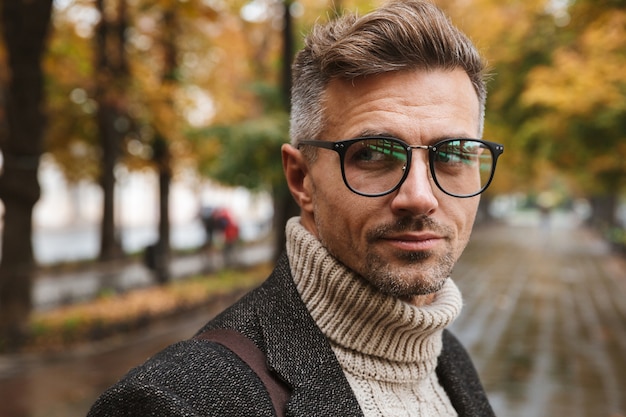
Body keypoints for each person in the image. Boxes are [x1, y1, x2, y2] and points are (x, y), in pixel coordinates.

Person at [87, 1, 503, 416]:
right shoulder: (178, 402)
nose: (419, 197)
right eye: (374, 154)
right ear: (302, 178)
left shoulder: (447, 358)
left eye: (452, 154)